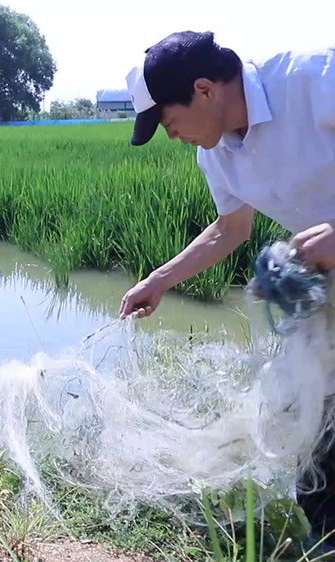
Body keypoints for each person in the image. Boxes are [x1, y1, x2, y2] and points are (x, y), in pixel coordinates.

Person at [118, 31, 335, 545]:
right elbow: (229, 229)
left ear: (205, 91)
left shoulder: (312, 81)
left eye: (170, 123)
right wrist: (158, 280)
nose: (173, 137)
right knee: (315, 415)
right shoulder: (215, 153)